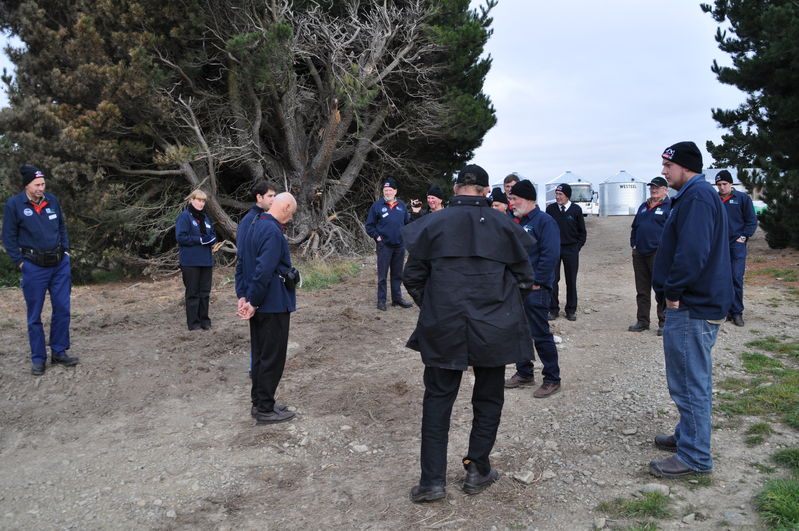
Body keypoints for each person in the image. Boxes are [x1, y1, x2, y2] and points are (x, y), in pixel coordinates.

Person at [402, 164, 535, 502]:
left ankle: (433, 481)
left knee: (438, 400)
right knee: (488, 397)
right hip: (493, 327)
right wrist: (500, 312)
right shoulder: (504, 224)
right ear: (485, 190)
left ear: (456, 187)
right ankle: (476, 468)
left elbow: (413, 278)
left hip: (444, 326)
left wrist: (434, 308)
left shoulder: (432, 222)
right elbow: (524, 280)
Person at [651, 141, 731, 478]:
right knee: (688, 377)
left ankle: (696, 456)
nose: (665, 172)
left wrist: (673, 292)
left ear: (685, 167)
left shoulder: (697, 196)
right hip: (695, 302)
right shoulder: (694, 195)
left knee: (688, 382)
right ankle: (688, 436)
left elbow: (693, 252)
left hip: (692, 305)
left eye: (668, 166)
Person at [2, 165, 78, 376]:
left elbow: (62, 226)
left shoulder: (52, 200)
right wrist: (20, 262)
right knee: (34, 315)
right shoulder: (14, 205)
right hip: (33, 266)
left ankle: (59, 351)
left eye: (43, 184)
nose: (40, 188)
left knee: (62, 309)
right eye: (37, 185)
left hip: (59, 264)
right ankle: (38, 358)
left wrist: (66, 251)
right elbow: (8, 237)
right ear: (26, 185)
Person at [237, 193, 299, 425]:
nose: (290, 219)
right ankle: (264, 407)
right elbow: (263, 270)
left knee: (261, 355)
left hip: (260, 302)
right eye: (290, 213)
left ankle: (260, 402)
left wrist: (244, 295)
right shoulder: (272, 232)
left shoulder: (253, 224)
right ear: (284, 207)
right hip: (272, 304)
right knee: (272, 357)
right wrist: (252, 301)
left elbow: (242, 262)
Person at [504, 180, 563, 398]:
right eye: (510, 199)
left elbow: (550, 255)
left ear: (529, 199)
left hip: (535, 288)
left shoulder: (544, 222)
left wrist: (538, 281)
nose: (511, 203)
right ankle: (524, 372)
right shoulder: (514, 221)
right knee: (518, 331)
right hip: (515, 287)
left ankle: (552, 378)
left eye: (514, 199)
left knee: (540, 334)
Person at [235, 180, 278, 375]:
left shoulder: (268, 219)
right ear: (259, 197)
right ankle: (256, 369)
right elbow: (243, 258)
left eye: (274, 196)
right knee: (259, 334)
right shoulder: (249, 221)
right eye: (270, 196)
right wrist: (243, 293)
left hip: (264, 290)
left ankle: (260, 367)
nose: (273, 199)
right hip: (254, 288)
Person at [628, 177, 672, 336]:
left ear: (665, 189)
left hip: (658, 254)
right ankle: (642, 321)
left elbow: (673, 231)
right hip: (639, 253)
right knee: (642, 290)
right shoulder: (643, 206)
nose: (654, 190)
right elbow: (635, 227)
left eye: (657, 187)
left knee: (661, 289)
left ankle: (664, 322)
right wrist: (633, 243)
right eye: (652, 187)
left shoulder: (670, 206)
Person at [715, 170, 758, 327]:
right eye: (719, 185)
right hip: (719, 245)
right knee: (721, 278)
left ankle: (737, 312)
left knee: (736, 277)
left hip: (736, 245)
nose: (722, 187)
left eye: (724, 184)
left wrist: (744, 237)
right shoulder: (715, 199)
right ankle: (724, 311)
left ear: (731, 184)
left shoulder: (742, 199)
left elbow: (751, 220)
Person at [364, 177, 413, 311]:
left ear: (395, 191)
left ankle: (397, 299)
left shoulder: (402, 206)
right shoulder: (377, 206)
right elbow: (369, 226)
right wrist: (377, 237)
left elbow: (407, 224)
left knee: (397, 274)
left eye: (390, 190)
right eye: (385, 190)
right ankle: (381, 301)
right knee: (382, 276)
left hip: (399, 246)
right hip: (384, 246)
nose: (387, 193)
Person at [176, 189, 217, 330]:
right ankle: (194, 324)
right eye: (198, 200)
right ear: (191, 200)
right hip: (190, 262)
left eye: (203, 201)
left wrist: (211, 238)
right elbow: (181, 237)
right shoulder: (185, 217)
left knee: (205, 293)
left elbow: (211, 234)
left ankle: (205, 321)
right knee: (193, 293)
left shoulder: (205, 218)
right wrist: (199, 239)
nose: (201, 203)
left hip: (206, 261)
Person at [546, 183, 586, 321]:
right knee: (553, 280)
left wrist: (577, 247)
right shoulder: (550, 209)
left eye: (560, 194)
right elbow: (546, 229)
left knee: (571, 280)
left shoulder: (575, 210)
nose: (557, 197)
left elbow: (582, 232)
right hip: (554, 249)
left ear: (567, 196)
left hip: (571, 250)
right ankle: (553, 309)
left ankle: (571, 310)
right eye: (556, 194)